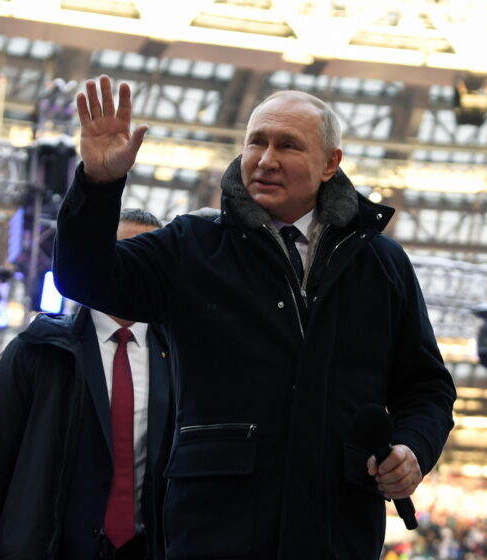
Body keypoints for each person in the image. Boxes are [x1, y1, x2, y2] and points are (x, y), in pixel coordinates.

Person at [52, 74, 456, 559]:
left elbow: (427, 389)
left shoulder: (382, 265)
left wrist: (413, 448)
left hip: (336, 534)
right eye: (256, 142)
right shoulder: (192, 246)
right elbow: (84, 278)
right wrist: (98, 184)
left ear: (331, 164)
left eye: (288, 145)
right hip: (214, 534)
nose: (266, 159)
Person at [0, 209, 174, 560]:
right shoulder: (39, 351)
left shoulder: (177, 360)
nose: (131, 269)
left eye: (146, 257)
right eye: (121, 254)